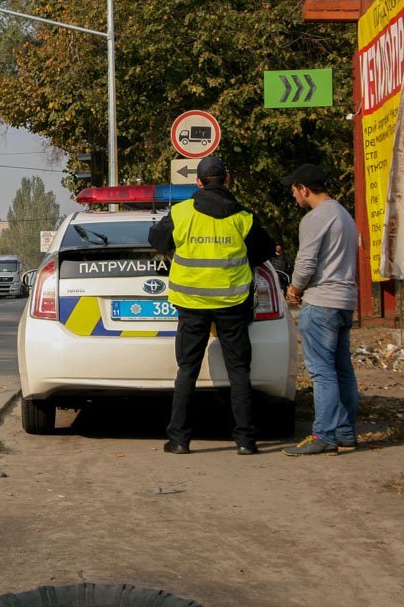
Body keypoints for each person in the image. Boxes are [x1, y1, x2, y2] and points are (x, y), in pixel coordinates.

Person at [148, 156, 274, 455]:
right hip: (232, 303)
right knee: (239, 371)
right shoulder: (243, 217)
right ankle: (245, 440)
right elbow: (265, 250)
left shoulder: (181, 213)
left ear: (199, 182)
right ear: (227, 180)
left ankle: (179, 439)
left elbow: (156, 238)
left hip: (191, 303)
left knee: (187, 369)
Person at [280, 163, 359, 457]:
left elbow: (306, 262)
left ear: (304, 189)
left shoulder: (315, 218)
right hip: (344, 301)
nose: (293, 196)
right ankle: (346, 432)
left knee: (322, 372)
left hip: (321, 302)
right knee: (342, 369)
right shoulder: (343, 215)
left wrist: (294, 289)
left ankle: (323, 435)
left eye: (294, 190)